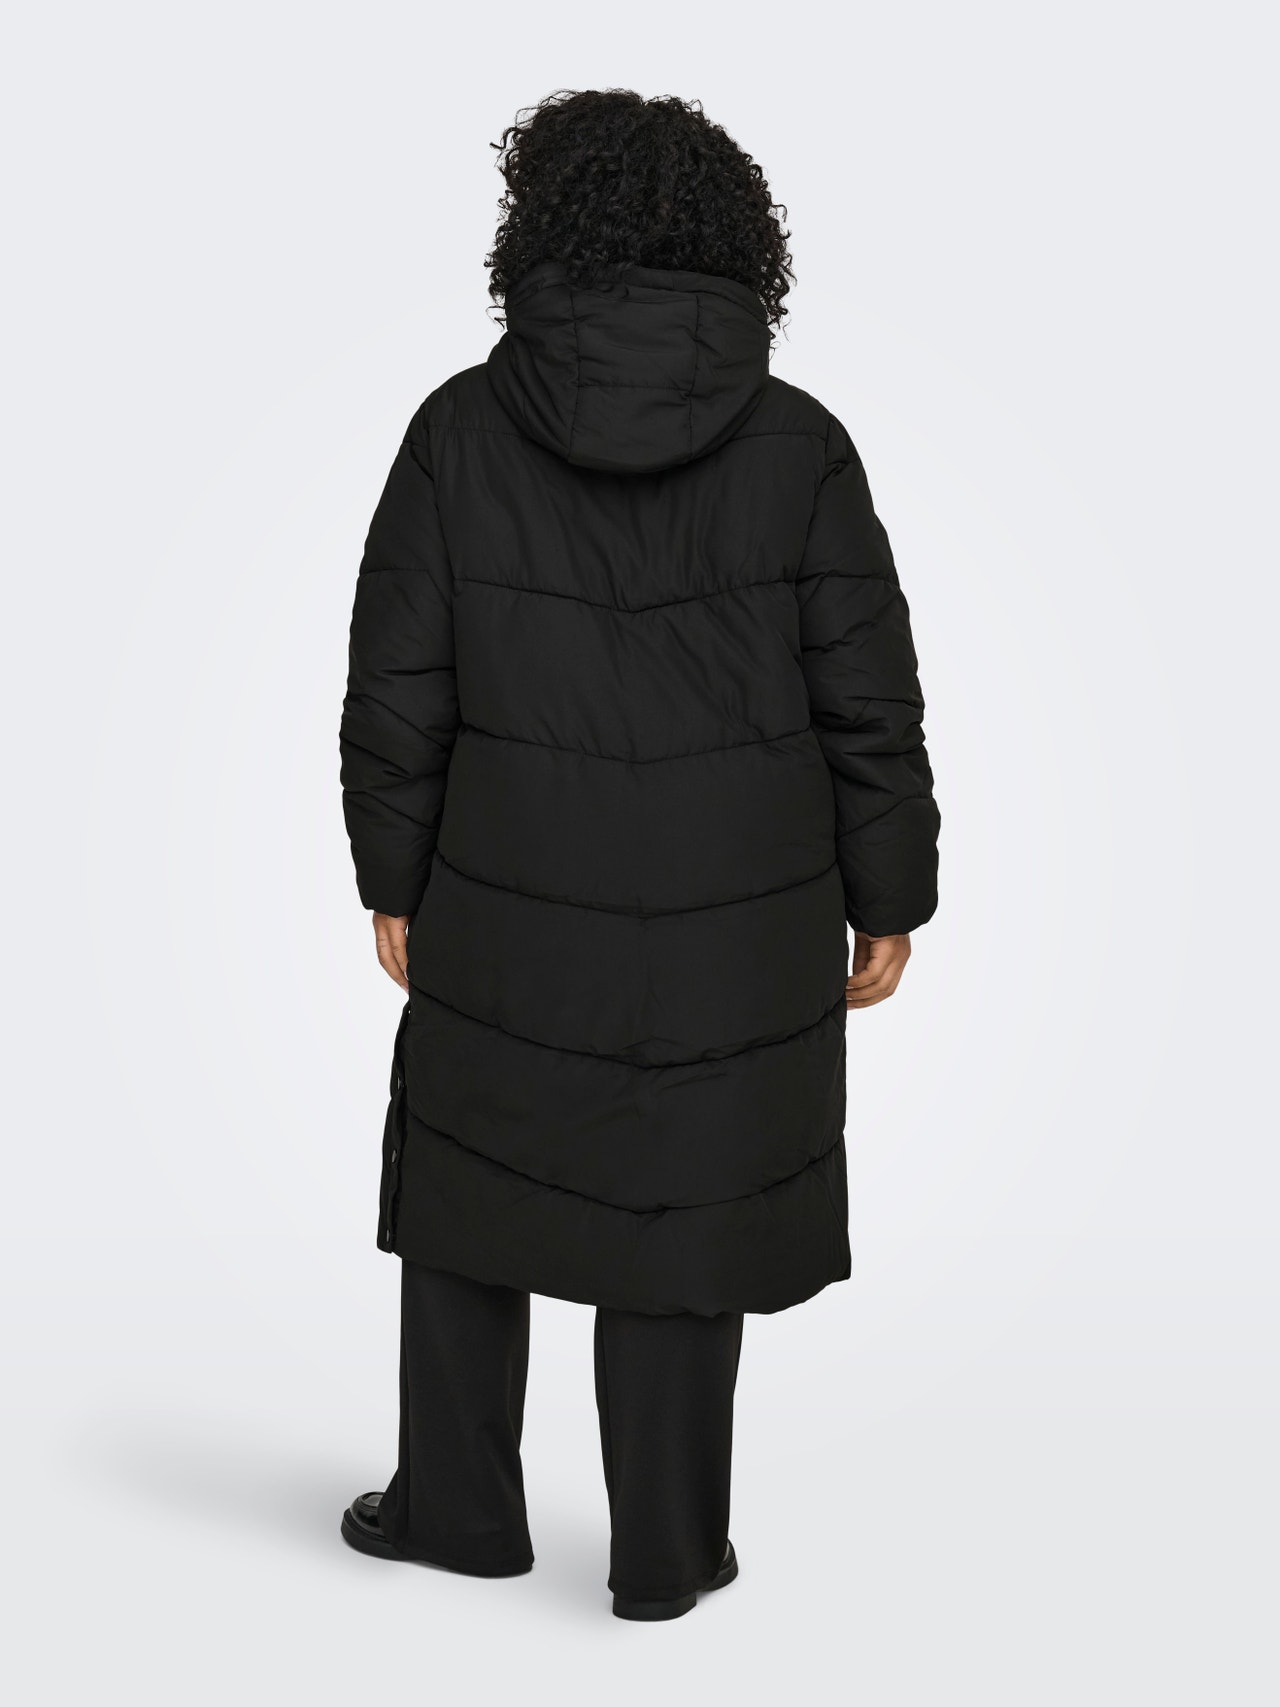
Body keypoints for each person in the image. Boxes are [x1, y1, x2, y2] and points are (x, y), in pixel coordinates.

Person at [338, 88, 940, 1621]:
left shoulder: (460, 430)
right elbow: (869, 697)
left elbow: (397, 684)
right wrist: (891, 893)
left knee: (477, 1178)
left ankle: (459, 1511)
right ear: (738, 242)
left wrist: (393, 874)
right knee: (686, 1199)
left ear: (538, 232)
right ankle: (669, 1553)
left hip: (505, 889)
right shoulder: (800, 444)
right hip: (739, 916)